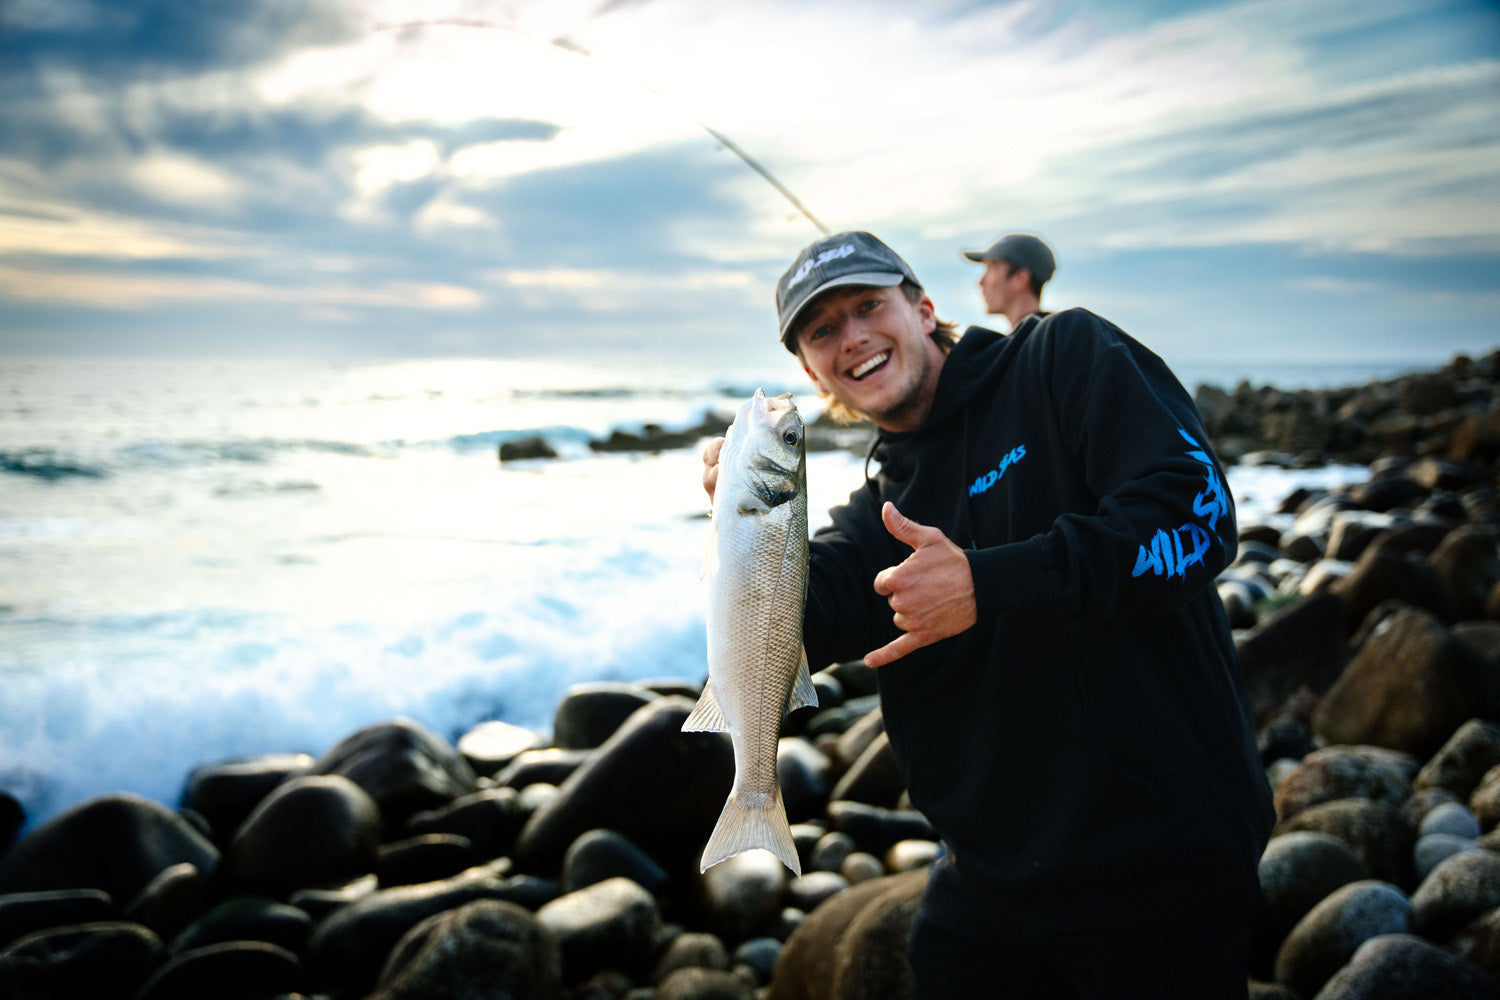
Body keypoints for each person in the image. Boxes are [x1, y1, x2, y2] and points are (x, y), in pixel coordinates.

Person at [701, 230, 1273, 999]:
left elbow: (1197, 519)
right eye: (824, 330)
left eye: (870, 306)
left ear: (925, 308)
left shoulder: (1062, 359)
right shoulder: (882, 512)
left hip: (1157, 869)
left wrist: (991, 580)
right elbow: (809, 613)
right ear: (810, 370)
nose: (855, 337)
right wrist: (747, 525)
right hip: (989, 882)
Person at [963, 231, 1055, 330]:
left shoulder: (1046, 340)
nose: (980, 282)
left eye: (992, 268)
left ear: (1020, 279)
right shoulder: (1049, 337)